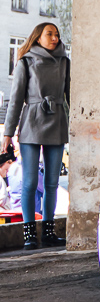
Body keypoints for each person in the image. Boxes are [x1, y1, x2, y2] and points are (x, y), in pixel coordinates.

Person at [1, 22, 70, 251]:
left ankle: (48, 233)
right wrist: (8, 133)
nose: (54, 38)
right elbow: (15, 99)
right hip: (31, 122)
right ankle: (29, 234)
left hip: (57, 123)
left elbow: (72, 96)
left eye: (56, 34)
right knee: (30, 182)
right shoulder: (26, 62)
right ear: (38, 37)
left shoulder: (64, 62)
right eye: (49, 34)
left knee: (51, 183)